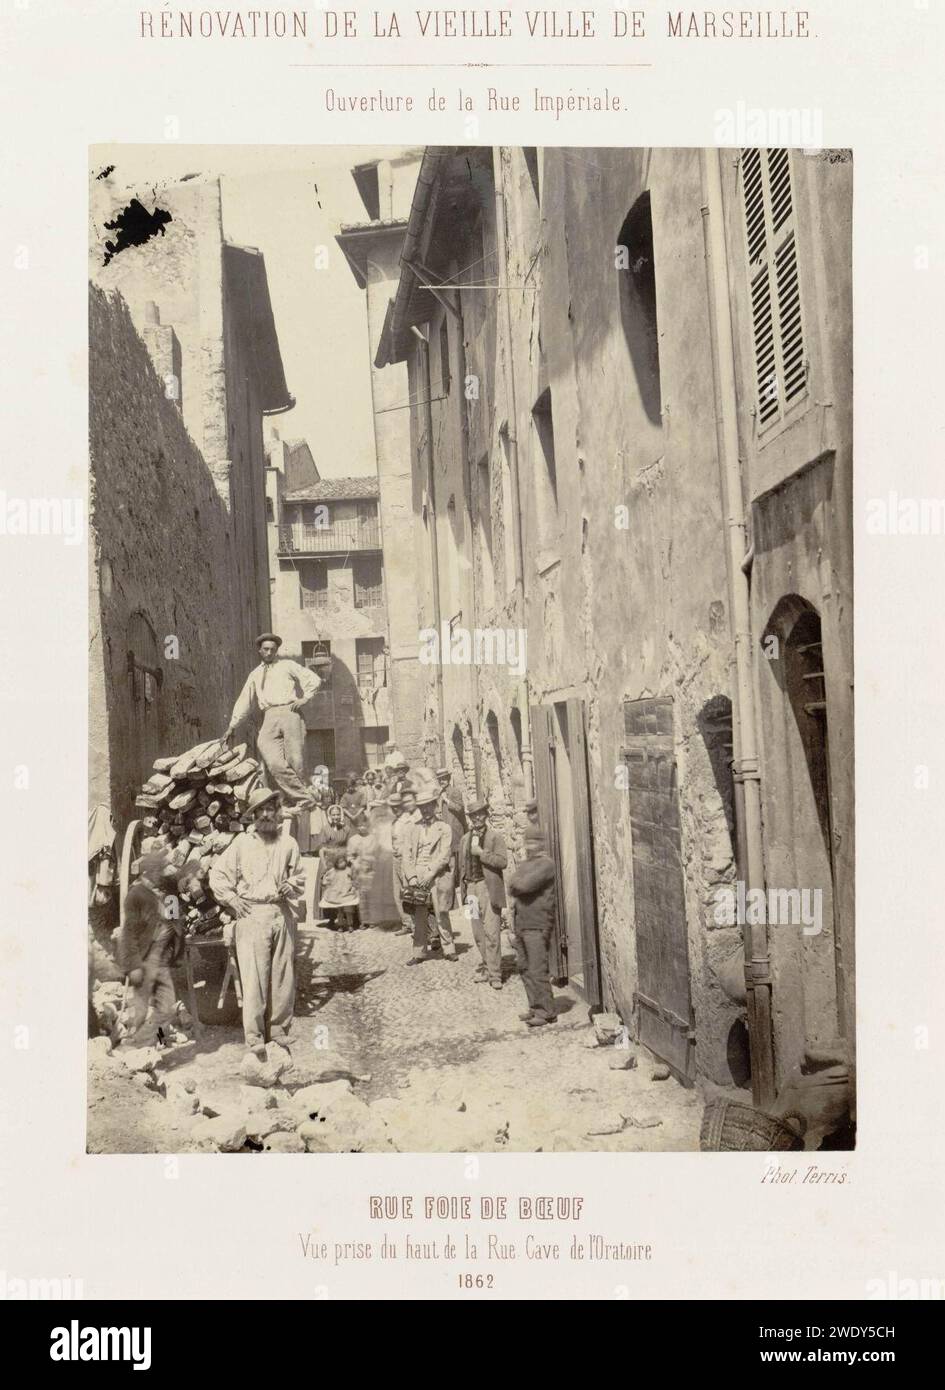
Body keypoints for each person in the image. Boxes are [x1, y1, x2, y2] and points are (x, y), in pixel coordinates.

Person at [208, 787, 305, 1061]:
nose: (265, 815)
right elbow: (218, 875)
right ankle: (254, 1038)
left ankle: (279, 1030)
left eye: (270, 809)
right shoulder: (241, 843)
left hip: (281, 912)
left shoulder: (288, 844)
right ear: (252, 816)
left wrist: (291, 886)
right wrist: (232, 900)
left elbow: (299, 877)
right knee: (255, 979)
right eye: (259, 811)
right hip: (251, 915)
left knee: (283, 976)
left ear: (277, 812)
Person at [223, 634, 320, 810]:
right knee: (273, 761)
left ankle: (297, 801)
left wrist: (305, 698)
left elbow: (312, 678)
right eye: (266, 649)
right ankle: (304, 797)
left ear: (276, 651)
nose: (269, 652)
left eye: (272, 650)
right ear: (260, 651)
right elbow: (245, 700)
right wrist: (232, 726)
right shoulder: (255, 674)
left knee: (295, 760)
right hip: (269, 715)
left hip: (290, 712)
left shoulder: (287, 665)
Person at [116, 853, 186, 1046]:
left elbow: (174, 923)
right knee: (141, 1012)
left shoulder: (163, 892)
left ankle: (152, 1043)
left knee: (166, 1008)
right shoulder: (136, 895)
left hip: (161, 960)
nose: (161, 875)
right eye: (157, 872)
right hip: (146, 960)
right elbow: (129, 933)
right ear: (148, 873)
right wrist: (133, 965)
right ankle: (134, 1048)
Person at [399, 774, 457, 965]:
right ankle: (419, 952)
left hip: (437, 874)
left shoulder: (444, 828)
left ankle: (448, 948)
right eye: (422, 807)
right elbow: (406, 855)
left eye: (428, 806)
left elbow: (445, 854)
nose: (425, 810)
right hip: (418, 874)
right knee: (419, 916)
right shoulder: (411, 829)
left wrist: (431, 873)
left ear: (434, 806)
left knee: (441, 913)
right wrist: (413, 877)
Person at [507, 826, 558, 1027]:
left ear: (541, 843)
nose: (530, 846)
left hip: (537, 924)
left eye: (534, 842)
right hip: (522, 923)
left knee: (537, 969)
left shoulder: (546, 864)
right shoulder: (527, 863)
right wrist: (516, 882)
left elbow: (523, 885)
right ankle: (535, 1007)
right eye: (528, 842)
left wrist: (516, 883)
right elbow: (512, 883)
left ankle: (547, 1011)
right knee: (525, 968)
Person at [458, 799, 509, 991]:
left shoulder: (495, 837)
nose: (477, 818)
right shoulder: (464, 839)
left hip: (487, 888)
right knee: (478, 933)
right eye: (473, 815)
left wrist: (481, 853)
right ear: (470, 818)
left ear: (486, 815)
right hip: (471, 889)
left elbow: (502, 861)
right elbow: (462, 866)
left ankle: (496, 974)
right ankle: (487, 968)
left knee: (492, 932)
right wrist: (463, 889)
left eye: (480, 814)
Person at [320, 850, 359, 931]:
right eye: (339, 862)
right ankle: (340, 925)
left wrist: (354, 887)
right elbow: (327, 878)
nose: (342, 864)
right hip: (337, 895)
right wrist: (325, 881)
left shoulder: (348, 870)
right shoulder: (333, 871)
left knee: (349, 911)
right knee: (339, 912)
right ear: (336, 863)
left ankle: (350, 925)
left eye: (343, 861)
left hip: (347, 894)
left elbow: (354, 878)